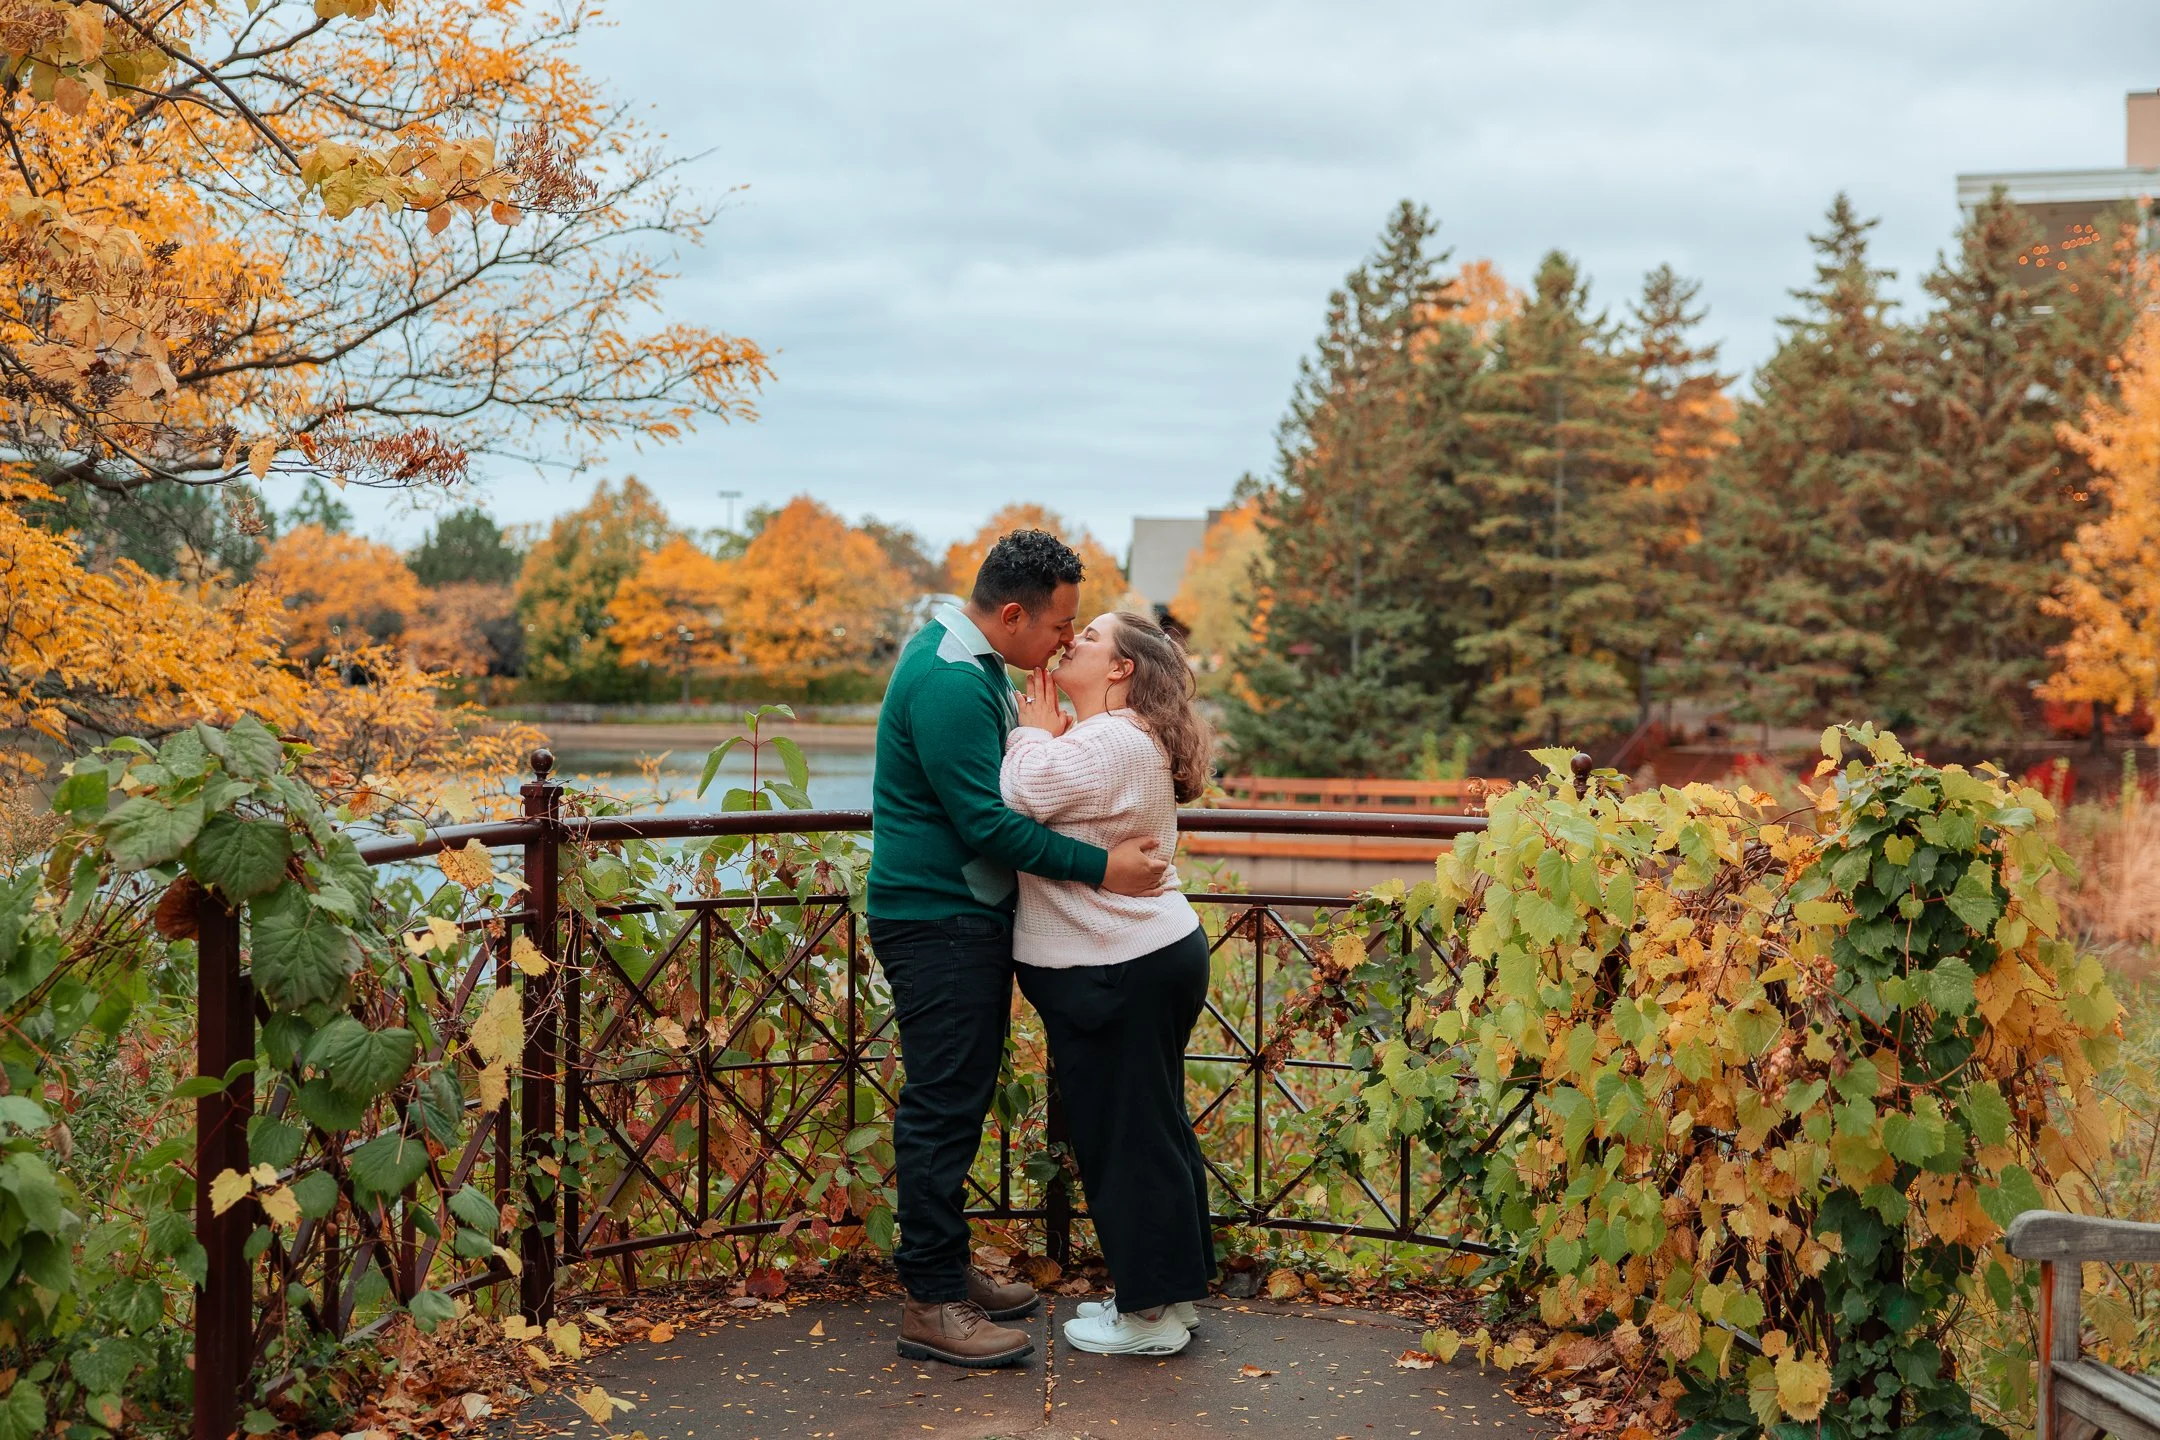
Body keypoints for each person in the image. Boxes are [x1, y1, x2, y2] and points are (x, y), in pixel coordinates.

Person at [867, 530, 1171, 1368]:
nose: (1066, 644)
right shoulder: (950, 683)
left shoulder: (967, 664)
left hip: (958, 914)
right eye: (1058, 628)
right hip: (939, 920)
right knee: (942, 1104)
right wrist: (1104, 867)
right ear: (1009, 615)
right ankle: (929, 1304)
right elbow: (986, 823)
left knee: (957, 1097)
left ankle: (946, 1271)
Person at [1002, 609, 1216, 1357]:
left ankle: (1148, 1317)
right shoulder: (1119, 741)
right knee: (1152, 1130)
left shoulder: (1110, 740)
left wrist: (1031, 727)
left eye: (1091, 638)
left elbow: (1023, 790)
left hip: (1116, 965)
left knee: (1125, 1141)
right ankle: (1170, 1297)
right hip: (1142, 957)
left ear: (1121, 670)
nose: (1073, 642)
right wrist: (1055, 734)